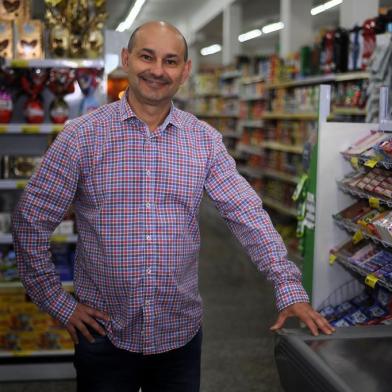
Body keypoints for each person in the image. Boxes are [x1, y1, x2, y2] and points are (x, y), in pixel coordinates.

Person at [12, 20, 334, 392]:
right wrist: (57, 302)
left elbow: (246, 214)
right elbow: (31, 220)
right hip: (103, 334)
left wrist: (287, 285)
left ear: (185, 71)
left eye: (170, 61)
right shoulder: (81, 136)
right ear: (126, 59)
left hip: (179, 335)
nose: (157, 71)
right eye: (147, 57)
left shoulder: (204, 142)